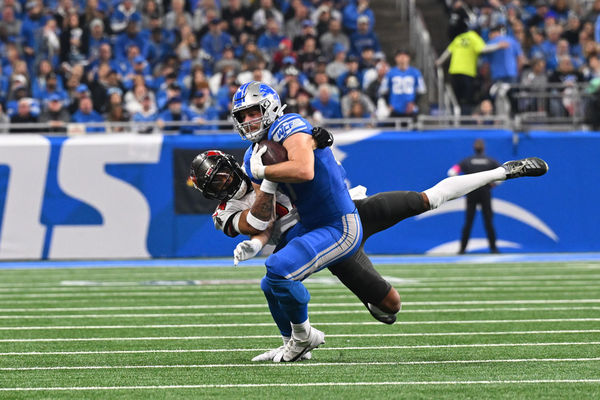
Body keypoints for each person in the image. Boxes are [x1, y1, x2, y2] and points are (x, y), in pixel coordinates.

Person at [189, 144, 549, 362]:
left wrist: (309, 149)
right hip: (319, 244)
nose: (225, 182)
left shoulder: (261, 165)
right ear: (210, 192)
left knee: (424, 199)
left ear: (231, 164)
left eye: (224, 174)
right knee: (390, 307)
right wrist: (253, 241)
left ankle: (503, 170)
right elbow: (259, 224)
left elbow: (306, 169)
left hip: (344, 215)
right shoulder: (226, 212)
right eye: (217, 183)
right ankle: (300, 338)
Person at [230, 81, 363, 363]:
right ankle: (291, 342)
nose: (247, 121)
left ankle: (305, 337)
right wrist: (256, 241)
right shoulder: (251, 154)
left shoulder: (287, 124)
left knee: (279, 269)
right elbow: (266, 212)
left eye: (252, 112)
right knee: (270, 283)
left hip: (338, 223)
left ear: (269, 108)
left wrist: (264, 170)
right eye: (241, 116)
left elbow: (304, 170)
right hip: (311, 223)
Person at [449, 138, 502, 254]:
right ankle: (493, 248)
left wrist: (461, 184)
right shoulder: (490, 161)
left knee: (468, 222)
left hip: (471, 193)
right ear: (484, 148)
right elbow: (503, 173)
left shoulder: (467, 161)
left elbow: (452, 172)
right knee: (488, 221)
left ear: (474, 148)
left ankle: (462, 249)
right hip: (485, 193)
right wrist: (494, 184)